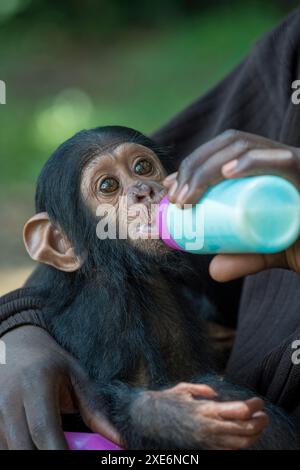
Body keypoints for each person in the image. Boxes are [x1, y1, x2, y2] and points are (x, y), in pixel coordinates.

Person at [1, 8, 300, 450]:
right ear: (62, 244)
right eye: (108, 186)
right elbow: (91, 397)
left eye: (144, 166)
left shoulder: (179, 268)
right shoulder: (103, 300)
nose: (141, 189)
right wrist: (15, 332)